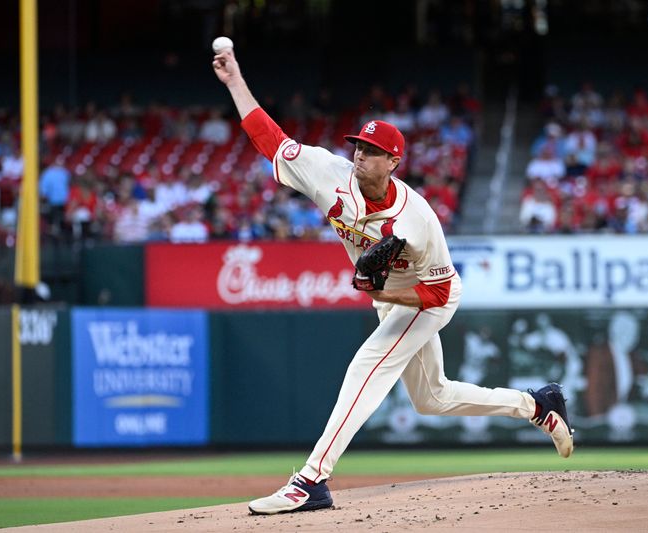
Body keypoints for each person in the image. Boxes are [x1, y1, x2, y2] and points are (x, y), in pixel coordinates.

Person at [211, 46, 574, 516]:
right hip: (393, 300)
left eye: (373, 152)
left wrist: (383, 292)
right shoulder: (329, 173)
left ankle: (312, 480)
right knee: (433, 398)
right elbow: (269, 138)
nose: (360, 155)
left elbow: (439, 293)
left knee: (368, 366)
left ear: (393, 162)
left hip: (427, 297)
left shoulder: (418, 217)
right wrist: (235, 79)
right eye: (359, 146)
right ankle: (536, 404)